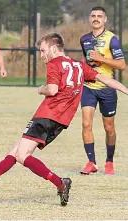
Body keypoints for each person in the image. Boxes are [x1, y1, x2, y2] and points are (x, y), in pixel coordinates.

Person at [0, 33, 128, 206]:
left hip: (47, 115)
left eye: (43, 51)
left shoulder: (54, 63)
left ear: (54, 48)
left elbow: (52, 89)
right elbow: (105, 79)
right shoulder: (79, 65)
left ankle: (60, 183)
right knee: (15, 151)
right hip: (60, 120)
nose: (41, 55)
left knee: (22, 154)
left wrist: (41, 89)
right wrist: (125, 89)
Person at [80, 6, 126, 175]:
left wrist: (101, 59)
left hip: (107, 88)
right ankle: (91, 162)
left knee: (109, 128)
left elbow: (121, 65)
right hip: (89, 87)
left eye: (99, 16)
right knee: (86, 123)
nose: (96, 18)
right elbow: (88, 62)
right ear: (89, 18)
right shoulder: (84, 39)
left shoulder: (112, 39)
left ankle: (109, 161)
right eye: (93, 15)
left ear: (105, 19)